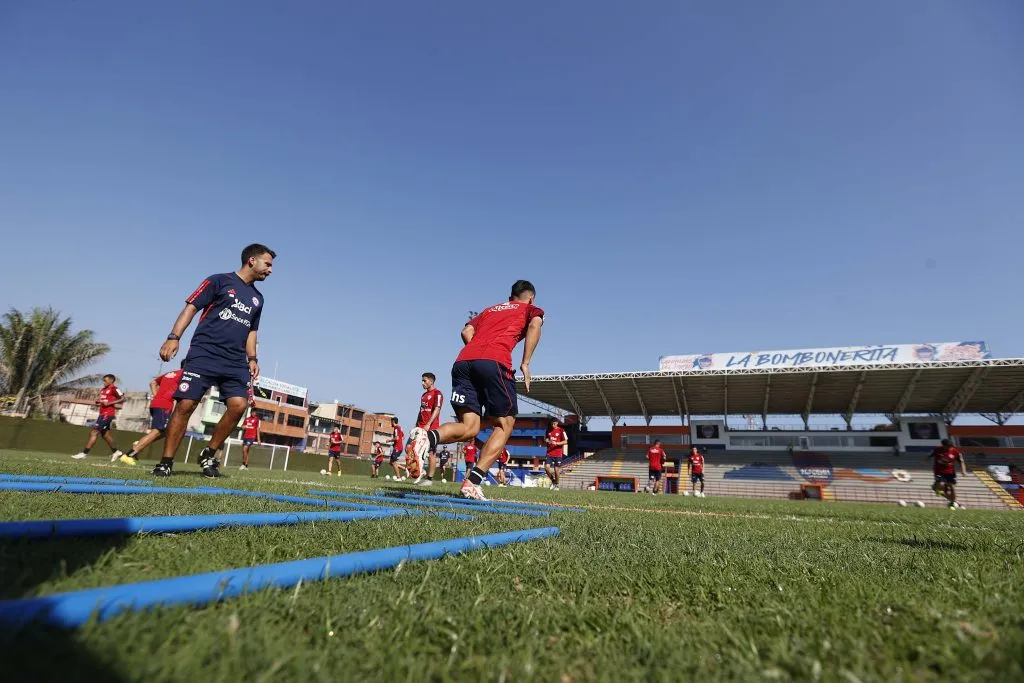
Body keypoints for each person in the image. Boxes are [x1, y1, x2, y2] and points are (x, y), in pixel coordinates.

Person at [406, 280, 544, 500]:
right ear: (531, 297)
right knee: (505, 423)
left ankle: (426, 437)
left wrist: (476, 353)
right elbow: (535, 326)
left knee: (470, 428)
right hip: (495, 361)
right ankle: (473, 482)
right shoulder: (530, 308)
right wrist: (525, 363)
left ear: (510, 297)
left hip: (463, 362)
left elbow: (466, 330)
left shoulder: (490, 310)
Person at [152, 243, 274, 478]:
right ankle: (166, 462)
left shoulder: (258, 299)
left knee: (238, 405)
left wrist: (252, 358)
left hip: (235, 360)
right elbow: (191, 308)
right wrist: (173, 337)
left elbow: (251, 331)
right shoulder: (218, 281)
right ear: (252, 261)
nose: (270, 270)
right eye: (267, 264)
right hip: (204, 353)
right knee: (186, 405)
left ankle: (209, 453)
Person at [117, 367, 184, 465]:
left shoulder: (170, 373)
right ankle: (129, 455)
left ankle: (139, 444)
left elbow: (153, 383)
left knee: (165, 432)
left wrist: (157, 396)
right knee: (159, 430)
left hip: (156, 403)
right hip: (164, 405)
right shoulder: (185, 375)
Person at [72, 374, 126, 461]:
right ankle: (116, 451)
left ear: (111, 381)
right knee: (105, 435)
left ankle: (84, 453)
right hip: (102, 414)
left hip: (107, 414)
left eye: (105, 380)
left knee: (94, 432)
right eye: (103, 380)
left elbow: (123, 398)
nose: (103, 382)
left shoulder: (114, 389)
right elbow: (104, 401)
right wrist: (99, 402)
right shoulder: (103, 390)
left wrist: (110, 403)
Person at [412, 372, 443, 486]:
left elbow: (437, 409)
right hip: (420, 427)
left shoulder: (437, 393)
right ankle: (421, 471)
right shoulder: (423, 395)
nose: (422, 383)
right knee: (415, 451)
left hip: (431, 427)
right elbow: (421, 411)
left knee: (431, 453)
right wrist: (416, 425)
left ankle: (429, 479)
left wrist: (429, 424)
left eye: (424, 381)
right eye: (422, 381)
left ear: (431, 381)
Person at [928, 438, 967, 509]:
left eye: (951, 446)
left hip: (950, 472)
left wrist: (963, 471)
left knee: (952, 488)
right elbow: (928, 456)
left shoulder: (955, 451)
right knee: (940, 484)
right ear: (943, 445)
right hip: (939, 471)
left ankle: (954, 502)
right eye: (948, 446)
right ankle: (954, 502)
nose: (950, 447)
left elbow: (961, 461)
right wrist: (925, 460)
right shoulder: (937, 449)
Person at [544, 418, 567, 491]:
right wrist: (547, 440)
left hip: (558, 453)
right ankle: (553, 481)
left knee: (556, 470)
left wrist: (557, 443)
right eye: (552, 423)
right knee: (546, 468)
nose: (554, 425)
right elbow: (545, 439)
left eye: (555, 423)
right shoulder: (548, 430)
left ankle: (556, 485)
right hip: (549, 453)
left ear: (557, 423)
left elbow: (565, 441)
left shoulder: (561, 430)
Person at [239, 404, 261, 470]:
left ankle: (243, 464)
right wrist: (243, 427)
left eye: (255, 412)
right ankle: (246, 466)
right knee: (246, 451)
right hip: (245, 436)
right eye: (253, 412)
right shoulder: (247, 419)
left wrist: (258, 439)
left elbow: (257, 429)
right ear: (250, 412)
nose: (254, 413)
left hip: (252, 437)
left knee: (244, 449)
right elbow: (242, 426)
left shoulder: (257, 420)